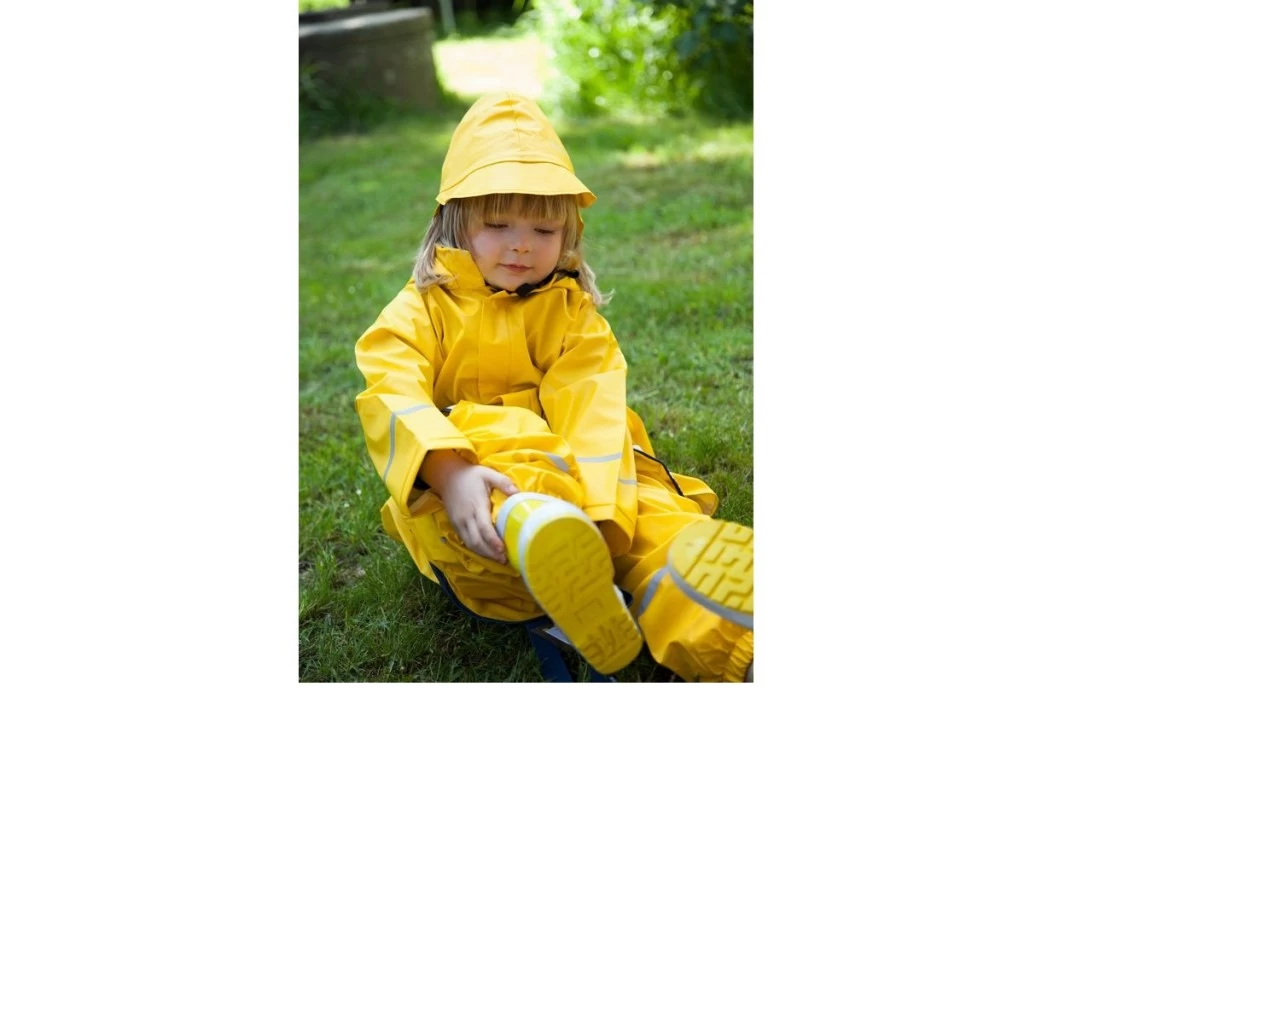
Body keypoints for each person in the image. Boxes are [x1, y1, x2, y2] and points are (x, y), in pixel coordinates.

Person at [353, 93, 753, 682]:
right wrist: (447, 470)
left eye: (544, 228)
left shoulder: (571, 317)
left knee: (655, 527)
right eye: (498, 225)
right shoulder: (420, 312)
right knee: (493, 442)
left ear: (569, 233)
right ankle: (535, 527)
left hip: (590, 487)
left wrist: (602, 515)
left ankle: (738, 630)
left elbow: (593, 410)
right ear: (454, 220)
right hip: (474, 499)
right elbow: (391, 392)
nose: (521, 243)